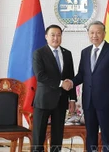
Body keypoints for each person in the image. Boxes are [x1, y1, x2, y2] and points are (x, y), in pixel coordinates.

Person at [66, 21, 109, 152]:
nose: (94, 35)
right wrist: (71, 82)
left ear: (104, 33)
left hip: (106, 102)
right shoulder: (85, 52)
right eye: (91, 32)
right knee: (90, 135)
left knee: (107, 135)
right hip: (88, 101)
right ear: (88, 34)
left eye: (98, 32)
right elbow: (81, 75)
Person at [31, 24, 76, 152]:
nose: (56, 38)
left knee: (57, 136)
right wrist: (61, 83)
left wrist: (72, 99)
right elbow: (40, 76)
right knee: (38, 136)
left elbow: (70, 77)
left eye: (58, 35)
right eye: (52, 35)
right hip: (43, 100)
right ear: (46, 36)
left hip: (61, 101)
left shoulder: (67, 54)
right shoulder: (39, 53)